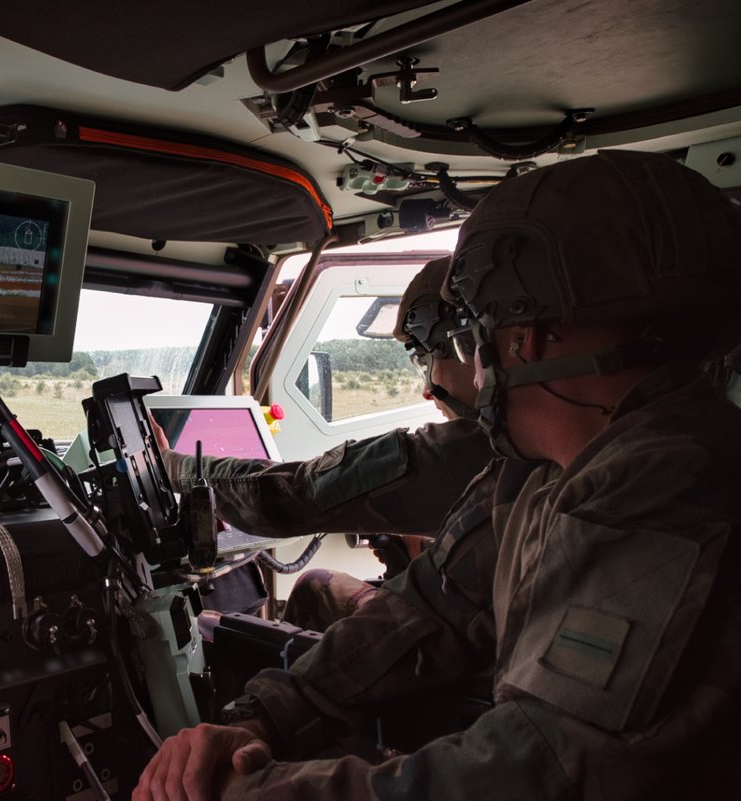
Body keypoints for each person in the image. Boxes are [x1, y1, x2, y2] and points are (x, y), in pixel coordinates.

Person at [134, 150, 741, 800]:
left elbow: (540, 772)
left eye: (479, 328)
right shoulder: (531, 474)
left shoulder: (672, 483)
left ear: (525, 336)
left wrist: (247, 791)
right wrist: (261, 718)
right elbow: (432, 608)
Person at [158, 257, 496, 630]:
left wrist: (172, 466)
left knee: (238, 619)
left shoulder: (466, 450)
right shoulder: (527, 441)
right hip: (493, 640)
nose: (427, 390)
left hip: (475, 658)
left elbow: (292, 495)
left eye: (424, 358)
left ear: (469, 344)